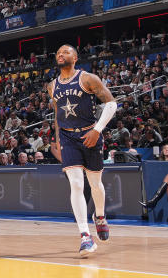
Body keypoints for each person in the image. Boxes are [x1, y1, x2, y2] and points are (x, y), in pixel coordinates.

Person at [48, 45, 117, 257]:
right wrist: (59, 143)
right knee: (76, 184)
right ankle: (85, 236)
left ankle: (100, 216)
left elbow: (112, 104)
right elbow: (58, 116)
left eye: (65, 52)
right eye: (58, 52)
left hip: (90, 134)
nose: (61, 54)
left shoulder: (88, 78)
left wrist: (97, 130)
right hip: (68, 138)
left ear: (75, 58)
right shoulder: (52, 86)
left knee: (95, 184)